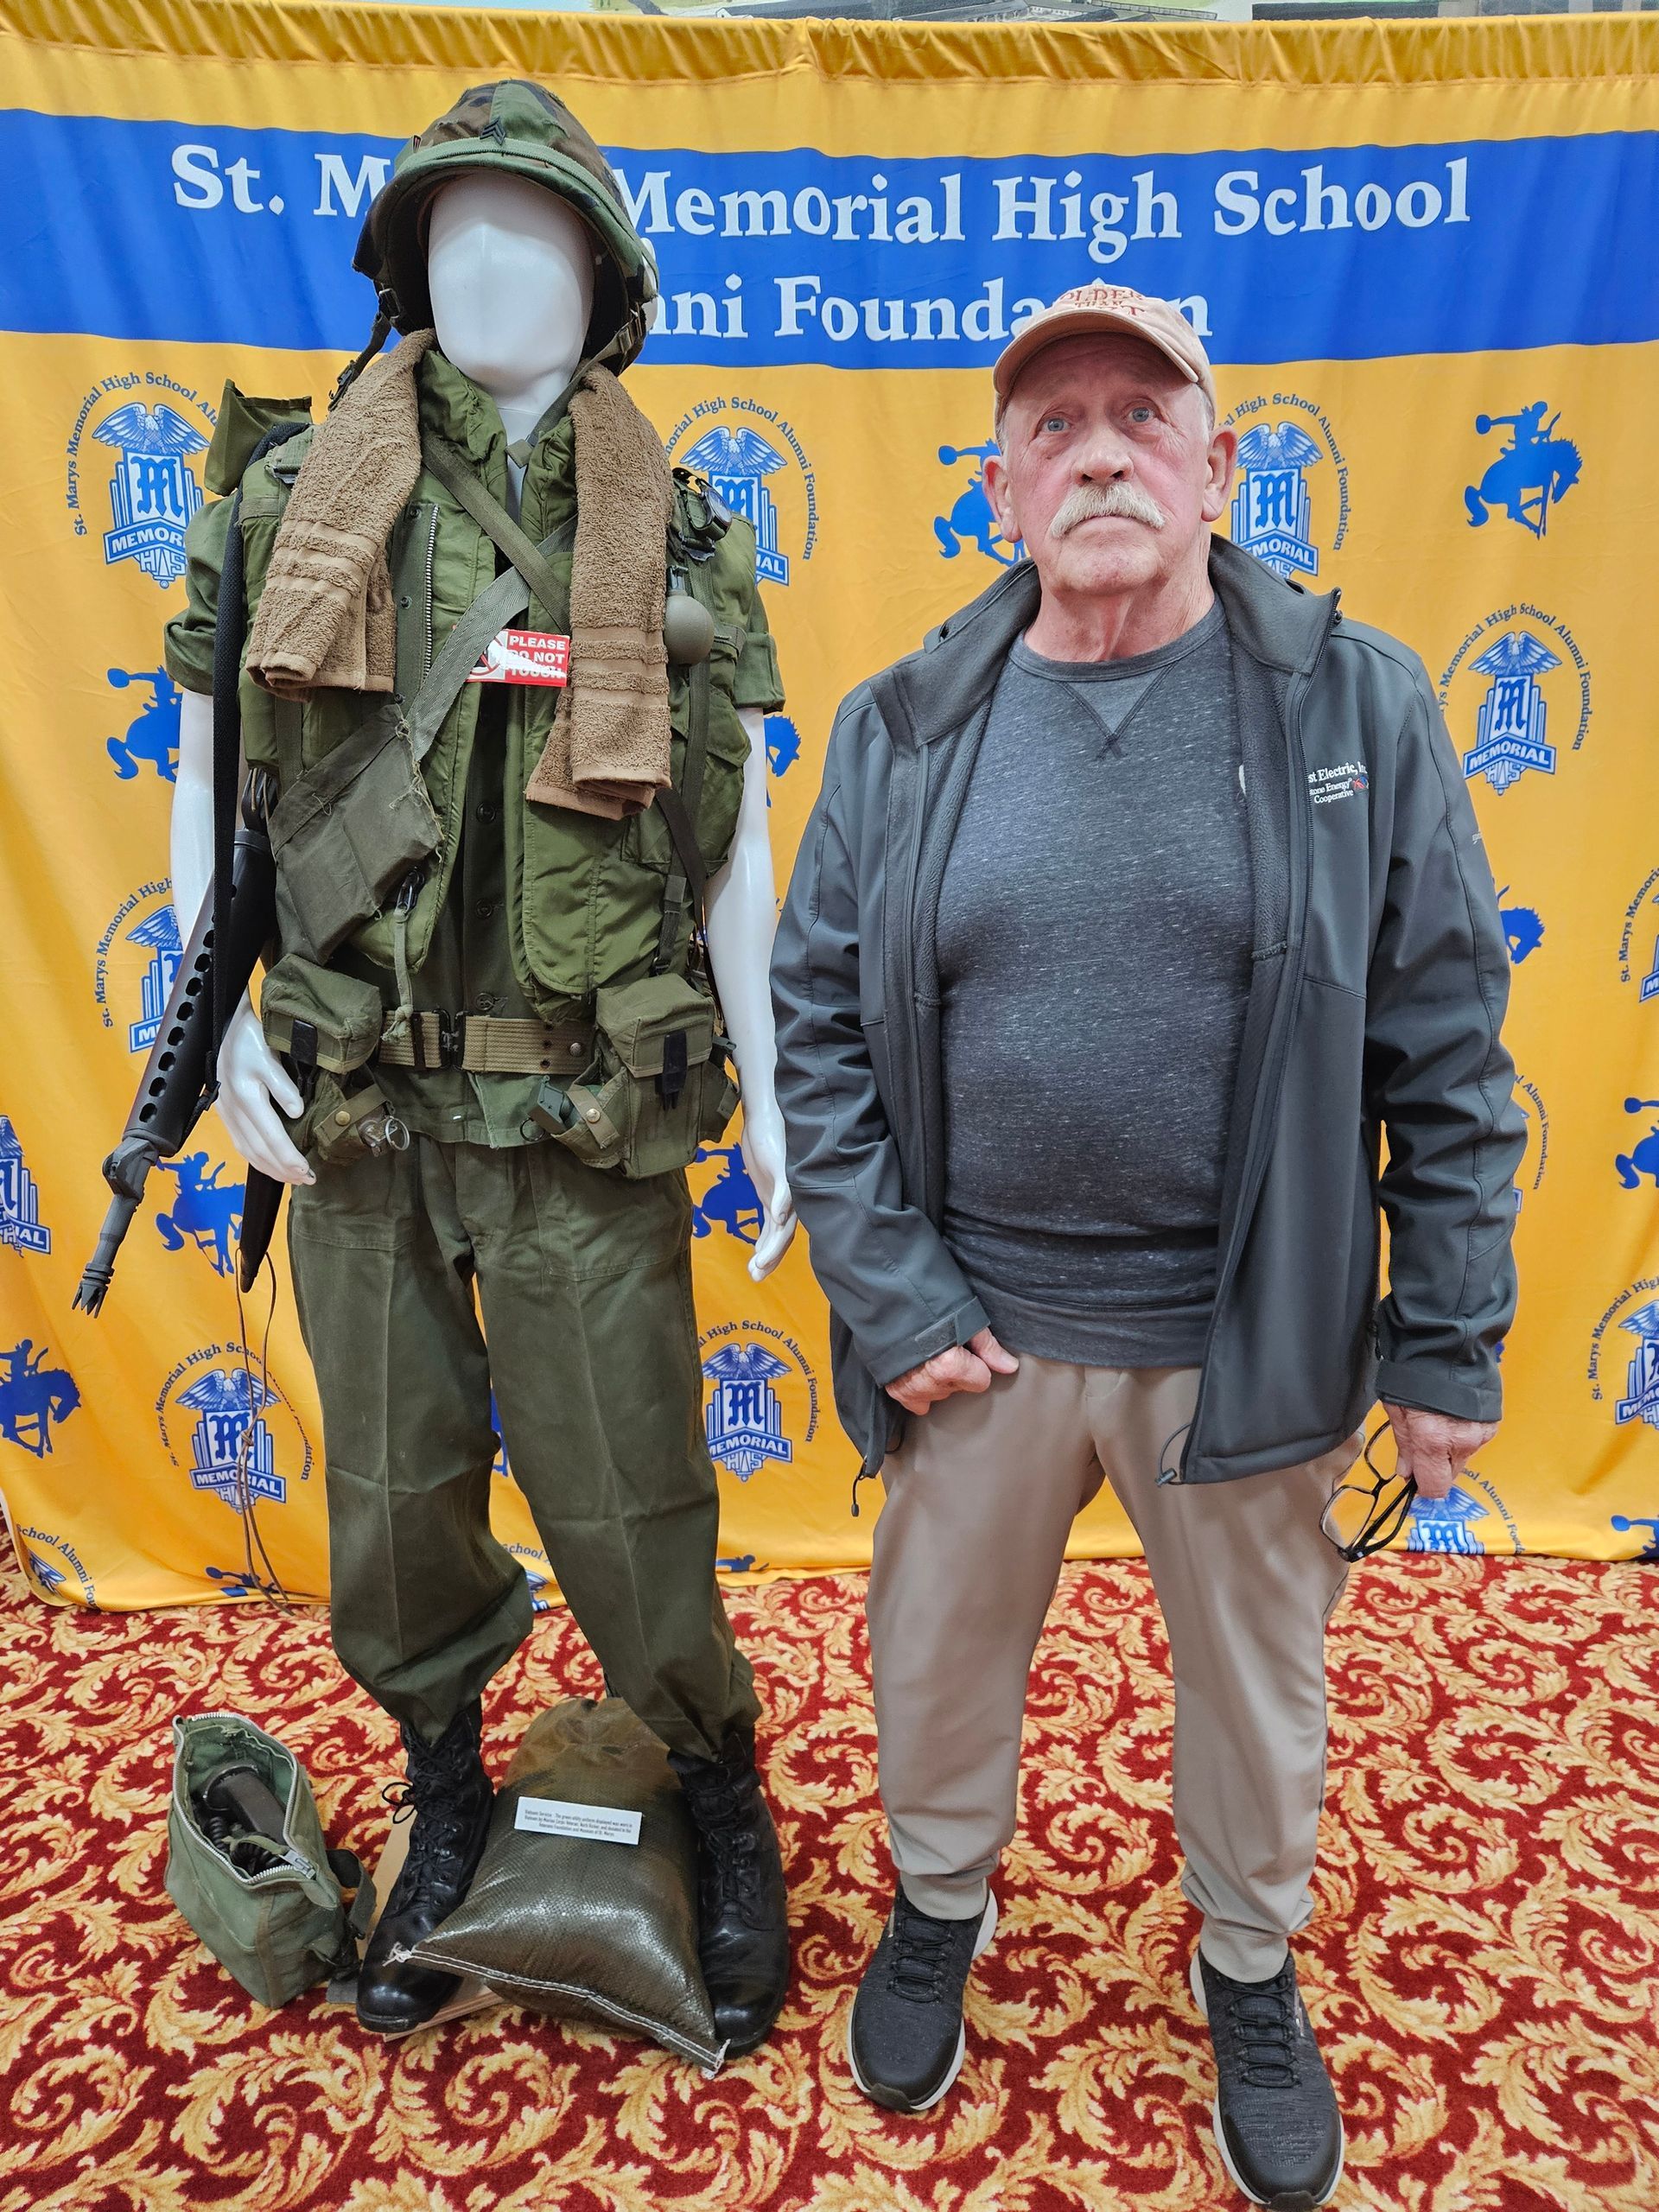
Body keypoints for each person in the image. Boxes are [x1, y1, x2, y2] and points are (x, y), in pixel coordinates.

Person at [771, 283, 1523, 2205]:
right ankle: (941, 1901)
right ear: (1002, 486)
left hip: (1244, 1334)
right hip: (979, 1334)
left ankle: (1250, 1967)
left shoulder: (1357, 708)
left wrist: (1445, 1336)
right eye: (1054, 424)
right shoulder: (904, 723)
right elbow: (822, 1027)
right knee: (933, 1662)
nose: (1098, 448)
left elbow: (1446, 1034)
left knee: (1262, 1695)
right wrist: (893, 1290)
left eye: (1141, 415)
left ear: (1218, 464)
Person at [162, 82, 793, 2050]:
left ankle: (714, 1784)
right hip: (354, 1099)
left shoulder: (673, 522)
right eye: (452, 227)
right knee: (395, 1497)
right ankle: (444, 1781)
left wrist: (774, 1099)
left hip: (585, 1105)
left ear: (605, 283)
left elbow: (733, 838)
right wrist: (191, 1055)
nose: (486, 259)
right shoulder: (291, 499)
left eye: (534, 230)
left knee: (629, 1498)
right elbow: (213, 790)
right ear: (403, 261)